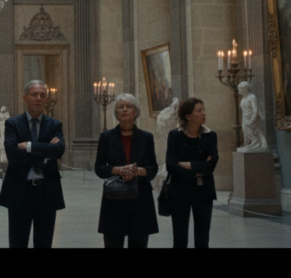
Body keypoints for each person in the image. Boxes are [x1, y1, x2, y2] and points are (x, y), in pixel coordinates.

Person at [0, 80, 65, 248]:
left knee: (44, 242)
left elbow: (58, 150)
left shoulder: (54, 124)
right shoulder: (12, 123)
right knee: (17, 242)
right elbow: (12, 154)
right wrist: (44, 157)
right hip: (20, 191)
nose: (38, 99)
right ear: (25, 98)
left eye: (42, 95)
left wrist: (28, 146)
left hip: (47, 192)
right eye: (34, 95)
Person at [94, 93, 159, 248]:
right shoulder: (106, 137)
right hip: (114, 199)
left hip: (140, 199)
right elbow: (99, 168)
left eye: (129, 107)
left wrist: (138, 171)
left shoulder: (146, 137)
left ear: (135, 112)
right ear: (116, 112)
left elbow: (153, 168)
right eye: (120, 107)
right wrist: (119, 170)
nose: (125, 110)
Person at [165, 97, 219, 248]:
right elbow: (170, 165)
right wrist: (197, 170)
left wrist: (187, 165)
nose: (204, 113)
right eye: (199, 111)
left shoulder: (210, 135)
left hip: (203, 192)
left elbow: (212, 164)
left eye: (203, 110)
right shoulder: (175, 135)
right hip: (179, 192)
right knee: (180, 238)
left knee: (202, 239)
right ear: (188, 116)